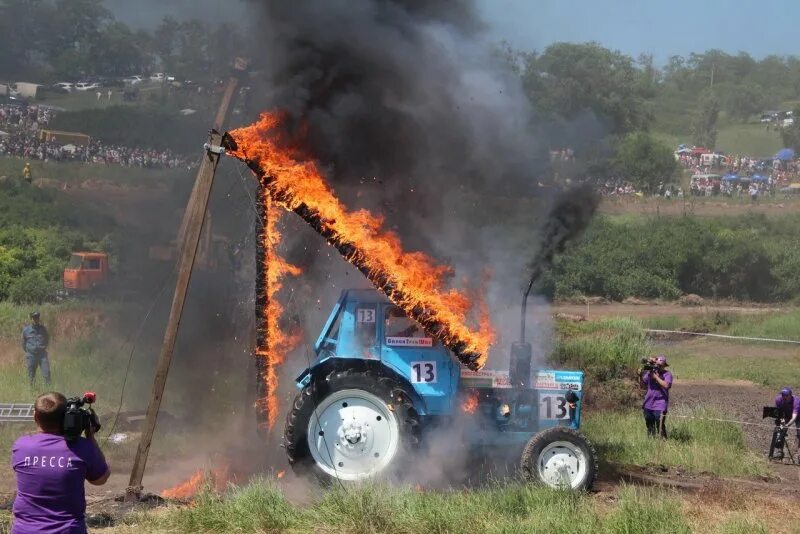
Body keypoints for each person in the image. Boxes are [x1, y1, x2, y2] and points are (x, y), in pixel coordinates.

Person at [11, 392, 110, 533]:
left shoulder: (21, 446)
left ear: (35, 416)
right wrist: (90, 437)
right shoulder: (82, 447)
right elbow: (101, 479)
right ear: (65, 417)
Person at [641, 355, 673, 438]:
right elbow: (643, 384)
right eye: (656, 364)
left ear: (664, 365)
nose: (657, 366)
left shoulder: (667, 374)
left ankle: (663, 442)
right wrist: (642, 373)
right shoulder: (650, 373)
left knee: (660, 425)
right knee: (649, 425)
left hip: (660, 405)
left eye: (660, 365)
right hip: (648, 404)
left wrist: (656, 377)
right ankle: (651, 441)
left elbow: (666, 385)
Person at [22, 311, 50, 387]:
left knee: (46, 373)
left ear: (39, 318)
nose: (35, 319)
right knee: (31, 375)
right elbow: (23, 343)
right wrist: (29, 351)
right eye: (34, 318)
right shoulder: (26, 330)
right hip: (31, 355)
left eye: (37, 318)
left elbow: (47, 339)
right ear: (31, 319)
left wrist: (43, 347)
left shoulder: (43, 329)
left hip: (42, 355)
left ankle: (48, 389)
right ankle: (32, 390)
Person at [772, 387, 800, 459]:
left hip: (798, 415)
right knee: (780, 430)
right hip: (787, 414)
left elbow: (794, 418)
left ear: (790, 395)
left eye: (786, 395)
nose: (784, 397)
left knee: (799, 433)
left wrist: (787, 425)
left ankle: (799, 453)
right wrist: (782, 422)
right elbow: (779, 413)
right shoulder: (778, 399)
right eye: (783, 395)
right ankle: (779, 451)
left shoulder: (796, 401)